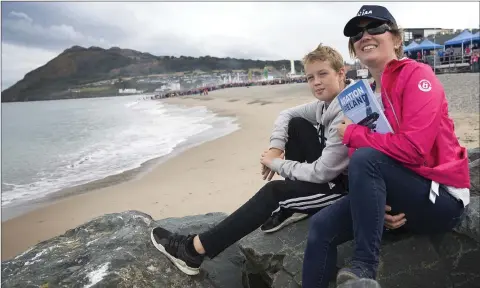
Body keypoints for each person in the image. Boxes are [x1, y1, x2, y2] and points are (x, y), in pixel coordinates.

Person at [302, 5, 470, 288]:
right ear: (354, 49)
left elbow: (414, 148)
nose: (365, 35)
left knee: (367, 157)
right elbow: (361, 162)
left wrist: (353, 134)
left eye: (375, 28)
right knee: (320, 226)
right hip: (396, 193)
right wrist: (377, 208)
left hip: (440, 195)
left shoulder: (418, 76)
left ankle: (363, 271)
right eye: (357, 34)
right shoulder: (360, 94)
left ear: (395, 38)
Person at [149, 44, 352, 276]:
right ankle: (295, 198)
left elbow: (323, 173)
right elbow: (286, 114)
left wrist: (275, 164)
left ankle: (193, 251)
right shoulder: (326, 104)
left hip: (341, 190)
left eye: (323, 74)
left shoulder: (346, 109)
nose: (316, 82)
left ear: (341, 73)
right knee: (297, 124)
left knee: (273, 192)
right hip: (330, 174)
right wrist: (276, 148)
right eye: (310, 77)